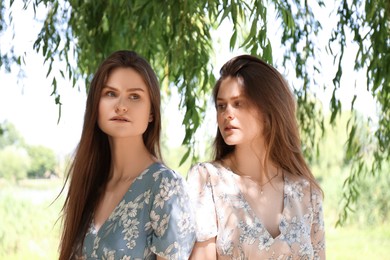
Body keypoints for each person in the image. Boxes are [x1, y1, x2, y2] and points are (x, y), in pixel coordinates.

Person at [58, 50, 195, 260]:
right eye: (111, 93)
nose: (121, 106)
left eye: (134, 96)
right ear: (96, 105)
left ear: (151, 113)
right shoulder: (91, 185)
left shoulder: (165, 187)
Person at [187, 55, 325, 259]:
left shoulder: (307, 193)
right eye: (221, 105)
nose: (228, 114)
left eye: (238, 103)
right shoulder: (207, 180)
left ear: (269, 110)